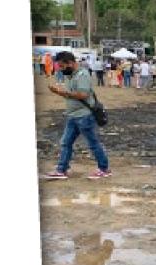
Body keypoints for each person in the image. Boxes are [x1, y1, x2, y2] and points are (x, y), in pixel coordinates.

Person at [43, 52, 112, 180]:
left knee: (93, 143)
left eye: (63, 66)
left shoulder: (82, 75)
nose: (61, 69)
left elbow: (83, 95)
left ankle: (104, 169)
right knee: (65, 142)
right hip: (72, 116)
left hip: (84, 116)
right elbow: (71, 94)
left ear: (70, 63)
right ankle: (61, 170)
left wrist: (62, 92)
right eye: (60, 67)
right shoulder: (69, 76)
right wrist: (60, 93)